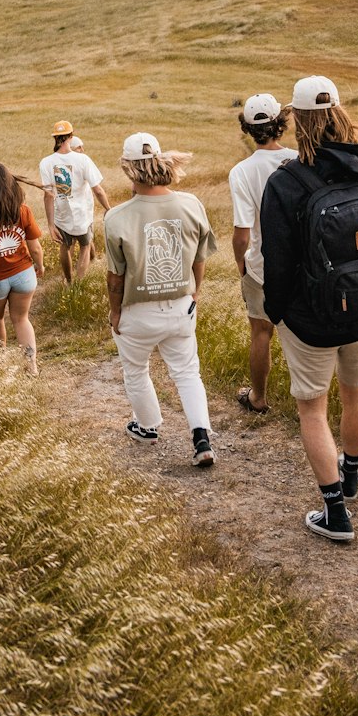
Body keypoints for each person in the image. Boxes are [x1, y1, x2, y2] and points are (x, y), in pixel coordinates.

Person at [261, 77, 358, 542]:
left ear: (296, 121)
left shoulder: (285, 183)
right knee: (357, 394)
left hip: (308, 322)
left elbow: (279, 264)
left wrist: (278, 312)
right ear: (341, 113)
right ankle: (351, 476)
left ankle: (335, 513)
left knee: (312, 410)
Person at [104, 132, 218, 467]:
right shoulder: (191, 203)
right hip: (181, 305)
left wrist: (114, 311)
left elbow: (116, 276)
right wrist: (194, 290)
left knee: (136, 369)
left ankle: (148, 426)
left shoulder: (117, 217)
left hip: (136, 311)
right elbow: (200, 258)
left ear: (128, 169)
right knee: (186, 372)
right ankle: (201, 437)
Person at [228, 92, 298, 414]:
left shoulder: (241, 172)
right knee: (303, 333)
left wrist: (242, 265)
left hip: (261, 265)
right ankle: (309, 402)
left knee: (260, 332)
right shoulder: (299, 160)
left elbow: (241, 234)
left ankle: (258, 397)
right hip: (300, 263)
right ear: (280, 123)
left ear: (248, 128)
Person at [0, 162, 46, 369]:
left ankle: (0, 365)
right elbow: (35, 247)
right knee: (22, 319)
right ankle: (31, 367)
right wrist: (39, 265)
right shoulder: (23, 210)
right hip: (24, 274)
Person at [39, 120, 111, 283]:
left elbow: (48, 195)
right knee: (85, 246)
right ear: (71, 137)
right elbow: (97, 189)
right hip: (82, 214)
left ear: (55, 138)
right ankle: (78, 283)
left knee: (65, 246)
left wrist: (50, 225)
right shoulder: (82, 160)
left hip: (61, 214)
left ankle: (69, 281)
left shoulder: (46, 162)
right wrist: (108, 208)